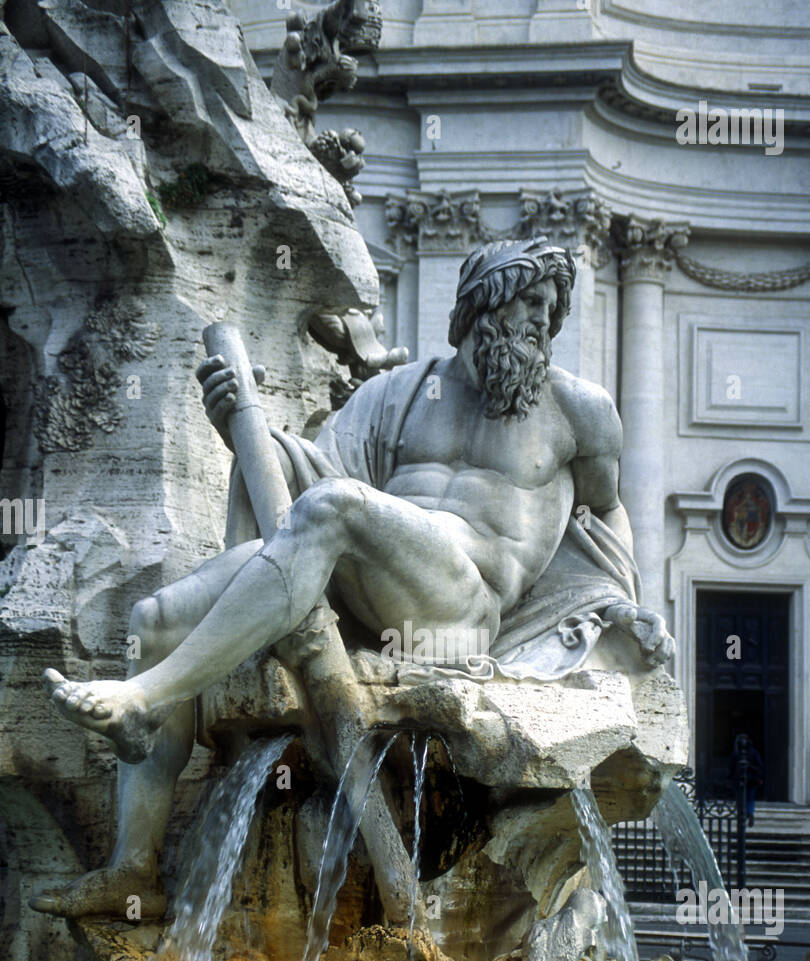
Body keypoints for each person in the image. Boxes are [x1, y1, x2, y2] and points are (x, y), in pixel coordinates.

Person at [33, 236, 674, 919]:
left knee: (334, 507)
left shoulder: (580, 409)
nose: (540, 325)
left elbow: (604, 513)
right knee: (155, 618)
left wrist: (617, 603)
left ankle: (146, 696)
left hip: (461, 608)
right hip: (375, 579)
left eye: (549, 311)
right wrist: (238, 428)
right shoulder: (400, 392)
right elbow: (309, 475)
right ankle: (135, 870)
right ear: (481, 308)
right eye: (527, 306)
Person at [729, 733, 765, 825]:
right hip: (752, 779)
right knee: (750, 798)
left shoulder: (736, 753)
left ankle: (742, 814)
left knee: (741, 798)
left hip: (742, 779)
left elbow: (731, 768)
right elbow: (760, 766)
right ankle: (749, 813)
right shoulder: (753, 752)